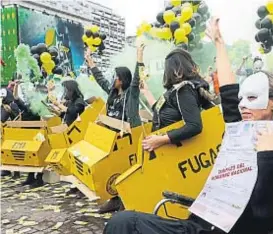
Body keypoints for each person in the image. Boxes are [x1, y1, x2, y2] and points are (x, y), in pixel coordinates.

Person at [103, 18, 273, 234]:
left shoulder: (269, 150)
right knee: (121, 223)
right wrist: (219, 44)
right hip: (197, 224)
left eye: (252, 98)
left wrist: (266, 156)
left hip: (231, 229)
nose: (243, 106)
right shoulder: (238, 130)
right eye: (242, 99)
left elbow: (264, 215)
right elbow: (229, 92)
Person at [85, 45, 144, 213]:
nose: (112, 79)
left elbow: (137, 78)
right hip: (111, 137)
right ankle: (115, 199)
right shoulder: (112, 93)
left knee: (126, 168)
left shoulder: (131, 94)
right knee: (113, 168)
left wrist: (139, 56)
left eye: (115, 76)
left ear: (121, 79)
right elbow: (101, 80)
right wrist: (91, 62)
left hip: (128, 137)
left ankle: (126, 200)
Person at [140, 48, 214, 152]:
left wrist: (160, 140)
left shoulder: (184, 90)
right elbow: (161, 110)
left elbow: (194, 126)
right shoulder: (176, 90)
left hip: (175, 153)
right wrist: (146, 92)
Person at [48, 79, 86, 195]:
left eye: (66, 90)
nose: (65, 92)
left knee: (79, 161)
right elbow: (65, 114)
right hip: (67, 133)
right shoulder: (70, 101)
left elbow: (73, 111)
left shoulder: (79, 101)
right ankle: (75, 185)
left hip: (77, 134)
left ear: (71, 90)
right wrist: (56, 110)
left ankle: (82, 187)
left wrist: (59, 104)